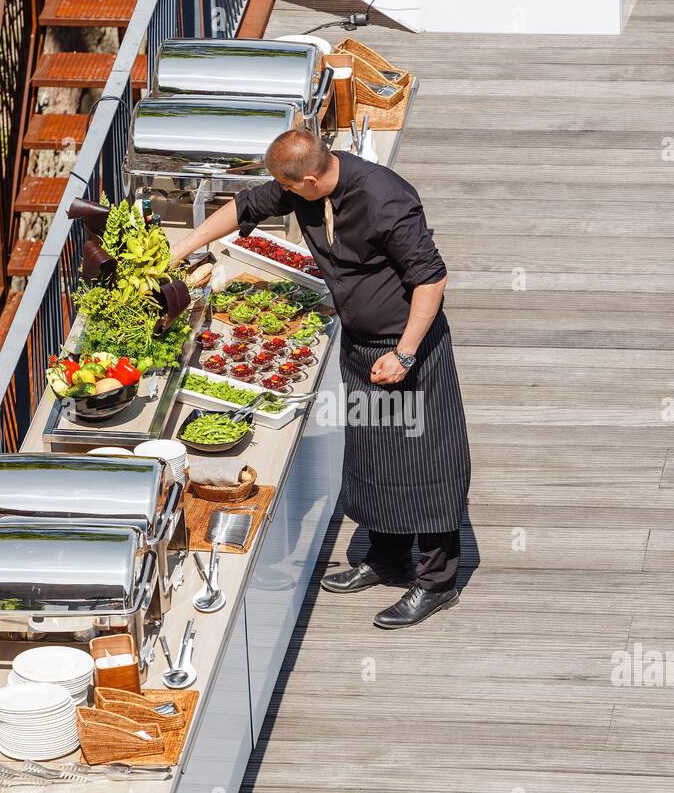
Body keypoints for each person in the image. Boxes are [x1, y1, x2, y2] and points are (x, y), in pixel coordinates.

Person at [171, 130, 472, 629]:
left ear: (309, 177)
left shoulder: (384, 198)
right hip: (360, 346)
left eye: (287, 186)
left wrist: (405, 352)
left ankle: (438, 583)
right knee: (375, 453)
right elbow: (243, 207)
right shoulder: (300, 185)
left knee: (427, 461)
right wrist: (183, 247)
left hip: (408, 351)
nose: (280, 193)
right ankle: (387, 557)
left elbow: (431, 277)